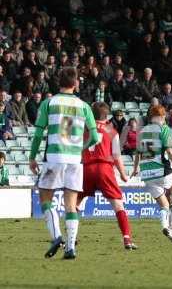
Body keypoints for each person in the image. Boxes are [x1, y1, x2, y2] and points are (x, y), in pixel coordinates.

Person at [29, 67, 99, 260]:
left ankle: (56, 236)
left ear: (58, 82)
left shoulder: (49, 102)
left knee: (45, 199)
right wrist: (80, 148)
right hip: (75, 161)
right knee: (71, 205)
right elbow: (94, 137)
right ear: (75, 83)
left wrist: (32, 157)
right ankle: (70, 248)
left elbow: (37, 135)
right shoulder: (84, 106)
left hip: (54, 158)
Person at [77, 102, 137, 250]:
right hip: (105, 168)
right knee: (117, 204)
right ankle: (127, 239)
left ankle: (71, 237)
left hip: (87, 168)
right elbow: (116, 156)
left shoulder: (84, 128)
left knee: (76, 202)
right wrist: (123, 174)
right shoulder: (112, 131)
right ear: (107, 115)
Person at [132, 105, 172, 242]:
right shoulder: (163, 129)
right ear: (162, 116)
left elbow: (137, 153)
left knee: (165, 205)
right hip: (161, 169)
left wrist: (135, 168)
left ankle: (167, 227)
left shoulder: (142, 131)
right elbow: (170, 151)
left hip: (146, 173)